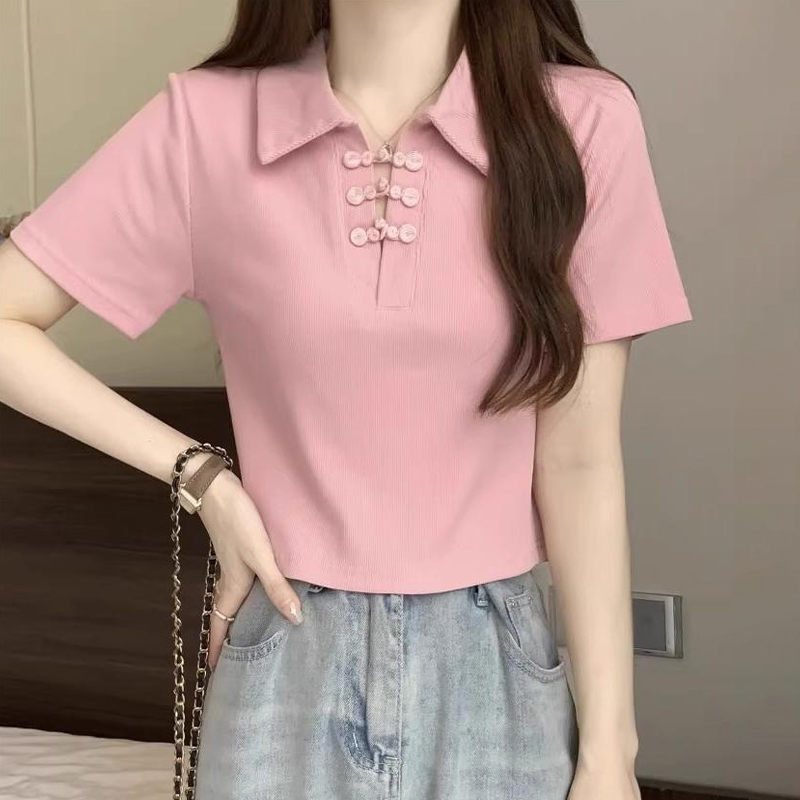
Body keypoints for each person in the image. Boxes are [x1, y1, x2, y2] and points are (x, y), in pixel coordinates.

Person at [0, 1, 693, 799]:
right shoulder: (207, 124)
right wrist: (201, 477)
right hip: (285, 655)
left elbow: (579, 463)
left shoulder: (582, 121)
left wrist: (611, 753)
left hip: (495, 675)